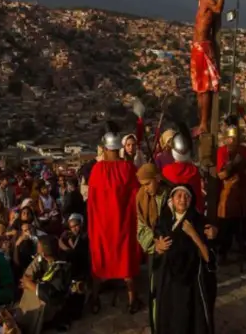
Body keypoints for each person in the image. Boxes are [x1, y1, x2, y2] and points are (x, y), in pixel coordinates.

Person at [87, 131, 142, 314]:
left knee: (101, 262)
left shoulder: (96, 169)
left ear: (104, 148)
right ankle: (132, 301)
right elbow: (136, 197)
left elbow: (92, 201)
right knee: (126, 263)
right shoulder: (128, 169)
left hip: (102, 226)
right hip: (123, 225)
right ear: (119, 147)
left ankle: (95, 300)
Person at [150, 184, 216, 334]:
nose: (182, 199)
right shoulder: (164, 221)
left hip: (191, 284)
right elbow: (156, 250)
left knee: (188, 321)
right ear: (171, 199)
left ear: (191, 200)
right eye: (178, 196)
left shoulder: (200, 222)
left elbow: (209, 258)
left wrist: (193, 234)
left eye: (186, 196)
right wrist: (158, 247)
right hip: (168, 283)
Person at [190, 0, 228, 137]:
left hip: (203, 47)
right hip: (197, 47)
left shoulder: (206, 1)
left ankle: (204, 123)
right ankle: (201, 123)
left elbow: (219, 8)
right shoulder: (202, 1)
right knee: (199, 88)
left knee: (204, 88)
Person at [17, 236, 73, 334]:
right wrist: (30, 282)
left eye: (38, 247)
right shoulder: (41, 259)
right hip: (45, 290)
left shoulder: (63, 266)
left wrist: (31, 284)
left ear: (43, 253)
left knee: (37, 298)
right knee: (29, 290)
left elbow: (51, 294)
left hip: (57, 303)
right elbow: (26, 276)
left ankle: (30, 327)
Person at [215, 125, 246, 267]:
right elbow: (221, 174)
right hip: (227, 193)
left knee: (240, 226)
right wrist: (232, 166)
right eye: (230, 139)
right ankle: (222, 254)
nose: (232, 142)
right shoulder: (222, 152)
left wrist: (240, 166)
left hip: (241, 194)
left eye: (234, 139)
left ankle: (242, 252)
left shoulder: (244, 151)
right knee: (226, 226)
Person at [161, 132, 204, 214]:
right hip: (192, 213)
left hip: (171, 213)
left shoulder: (166, 170)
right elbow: (198, 197)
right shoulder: (194, 170)